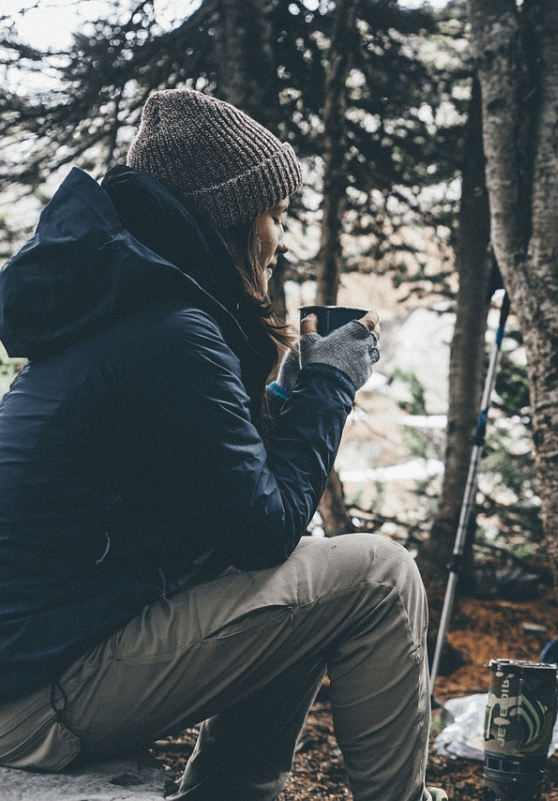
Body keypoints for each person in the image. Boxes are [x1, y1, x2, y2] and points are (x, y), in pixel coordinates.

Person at [0, 88, 444, 801]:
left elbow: (229, 517)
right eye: (275, 215)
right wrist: (328, 386)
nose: (282, 238)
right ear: (230, 216)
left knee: (307, 578)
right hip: (37, 699)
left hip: (30, 669)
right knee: (378, 575)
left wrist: (283, 400)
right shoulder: (172, 330)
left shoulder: (121, 309)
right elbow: (262, 531)